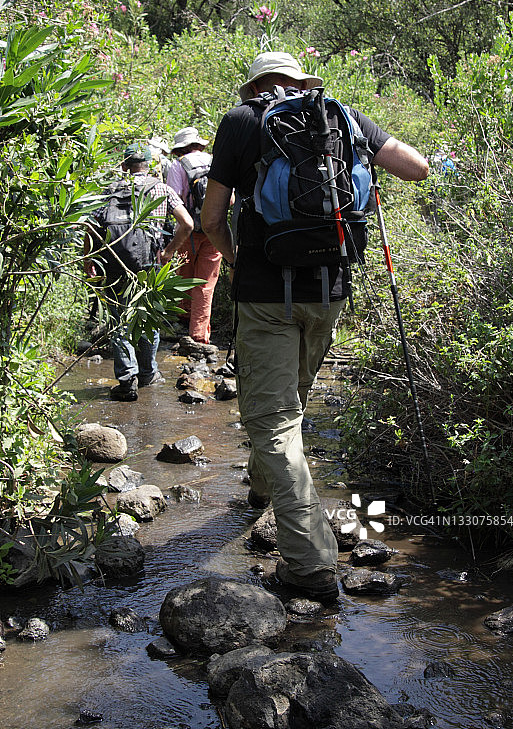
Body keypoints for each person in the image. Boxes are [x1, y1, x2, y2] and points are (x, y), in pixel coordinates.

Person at [201, 52, 429, 602]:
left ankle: (310, 563)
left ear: (257, 84)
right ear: (301, 83)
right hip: (329, 292)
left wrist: (237, 263)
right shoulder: (338, 115)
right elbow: (417, 167)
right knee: (289, 404)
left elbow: (210, 218)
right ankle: (262, 489)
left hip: (265, 296)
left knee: (275, 419)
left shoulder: (241, 121)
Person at [84, 142, 194, 402]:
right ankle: (147, 373)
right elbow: (187, 223)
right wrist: (168, 252)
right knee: (147, 316)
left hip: (113, 263)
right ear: (150, 165)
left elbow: (90, 228)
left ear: (124, 166)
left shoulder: (109, 190)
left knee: (119, 319)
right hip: (148, 264)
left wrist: (87, 260)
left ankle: (126, 379)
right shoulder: (160, 189)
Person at [167, 127, 222, 344]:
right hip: (215, 229)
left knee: (185, 274)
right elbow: (231, 198)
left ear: (181, 148)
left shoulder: (177, 165)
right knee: (206, 283)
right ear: (199, 144)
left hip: (188, 230)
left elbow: (173, 199)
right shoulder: (214, 161)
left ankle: (184, 317)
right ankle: (199, 335)